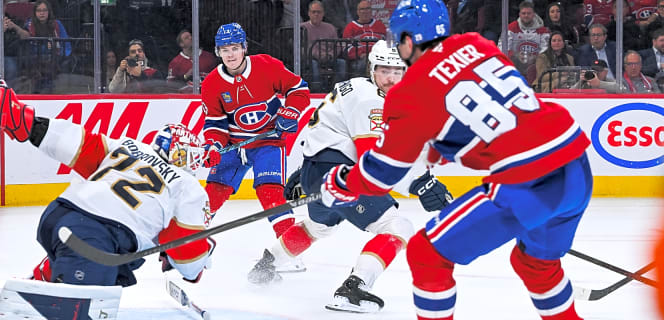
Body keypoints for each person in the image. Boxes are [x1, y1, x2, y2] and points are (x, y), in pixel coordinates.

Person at [321, 0, 593, 319]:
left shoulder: (407, 93)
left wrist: (342, 183)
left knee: (426, 253)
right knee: (534, 263)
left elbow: (382, 174)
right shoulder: (475, 43)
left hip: (528, 180)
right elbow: (492, 105)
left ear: (408, 41)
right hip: (575, 163)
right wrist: (441, 146)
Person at [0, 74, 215, 316]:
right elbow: (188, 256)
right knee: (78, 310)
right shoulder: (187, 184)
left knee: (95, 263)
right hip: (97, 236)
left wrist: (28, 123)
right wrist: (197, 262)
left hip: (62, 216)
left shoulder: (129, 146)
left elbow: (76, 143)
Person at [247, 40, 451, 313]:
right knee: (397, 227)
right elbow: (374, 160)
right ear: (372, 69)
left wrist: (306, 171)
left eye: (396, 71)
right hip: (339, 174)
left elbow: (330, 129)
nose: (390, 78)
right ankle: (354, 289)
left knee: (318, 227)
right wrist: (419, 184)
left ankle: (266, 267)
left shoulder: (354, 86)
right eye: (383, 70)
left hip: (319, 168)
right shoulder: (371, 100)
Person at [200, 22, 310, 271]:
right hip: (234, 144)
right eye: (224, 49)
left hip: (268, 142)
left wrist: (290, 112)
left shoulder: (266, 66)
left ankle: (290, 252)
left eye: (235, 48)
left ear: (244, 48)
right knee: (212, 195)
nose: (230, 54)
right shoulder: (211, 84)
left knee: (270, 192)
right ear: (218, 52)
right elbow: (215, 124)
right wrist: (213, 145)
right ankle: (194, 249)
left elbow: (299, 89)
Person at [22, 0, 71, 93]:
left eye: (44, 10)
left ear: (49, 12)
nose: (42, 13)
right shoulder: (28, 25)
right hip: (34, 60)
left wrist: (57, 51)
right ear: (34, 12)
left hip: (55, 59)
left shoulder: (57, 24)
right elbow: (26, 48)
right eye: (39, 10)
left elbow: (67, 45)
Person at [302, 0, 346, 92]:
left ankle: (336, 90)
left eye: (319, 12)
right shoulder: (302, 28)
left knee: (342, 63)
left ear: (323, 14)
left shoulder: (330, 27)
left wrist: (330, 55)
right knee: (313, 65)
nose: (316, 14)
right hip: (311, 59)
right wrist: (319, 56)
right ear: (309, 13)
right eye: (314, 12)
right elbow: (303, 47)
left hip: (330, 58)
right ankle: (316, 91)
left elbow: (337, 46)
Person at [500, 1, 550, 72]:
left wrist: (535, 58)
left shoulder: (543, 30)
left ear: (533, 14)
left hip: (535, 65)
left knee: (543, 60)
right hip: (515, 64)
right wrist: (515, 55)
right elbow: (502, 47)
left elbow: (546, 50)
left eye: (529, 13)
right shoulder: (511, 28)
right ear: (519, 14)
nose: (526, 15)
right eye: (523, 13)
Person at [343, 0, 387, 77]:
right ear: (357, 12)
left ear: (371, 11)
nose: (365, 11)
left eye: (368, 8)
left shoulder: (380, 25)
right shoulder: (350, 27)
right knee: (363, 64)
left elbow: (385, 43)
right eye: (362, 9)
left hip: (378, 56)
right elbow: (347, 49)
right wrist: (360, 54)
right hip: (360, 59)